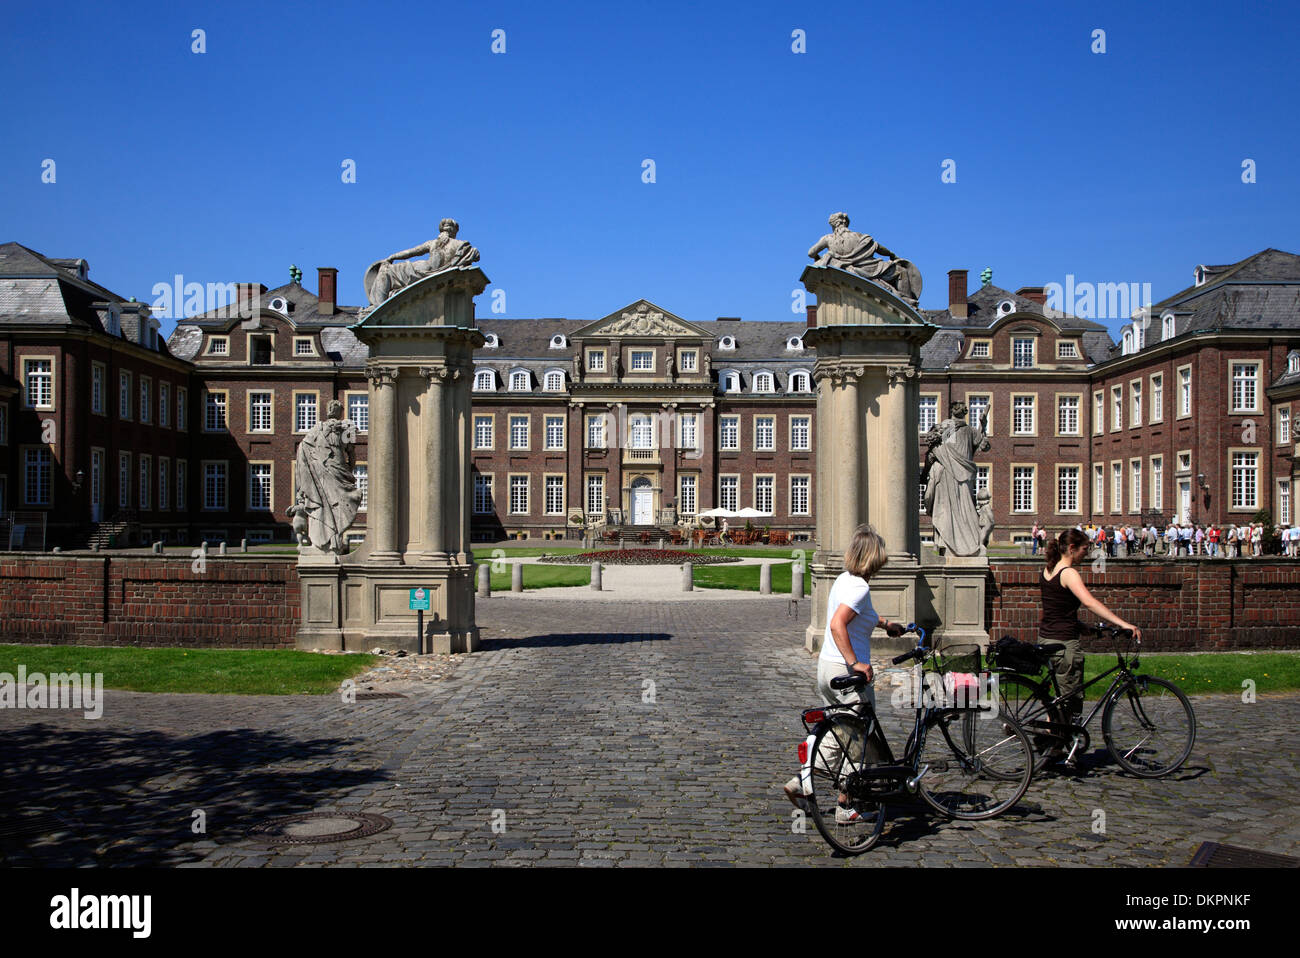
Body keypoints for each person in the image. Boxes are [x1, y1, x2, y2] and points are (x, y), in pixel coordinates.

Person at [784, 524, 904, 817]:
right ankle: (847, 804)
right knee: (860, 737)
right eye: (880, 560)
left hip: (826, 670)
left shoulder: (844, 579)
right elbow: (838, 624)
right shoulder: (860, 587)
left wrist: (887, 625)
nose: (881, 566)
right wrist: (856, 664)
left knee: (839, 732)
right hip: (847, 673)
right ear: (872, 558)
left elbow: (859, 614)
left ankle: (802, 782)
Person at [1039, 528, 1143, 767]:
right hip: (1065, 644)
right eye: (1085, 549)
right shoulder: (1069, 573)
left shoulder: (1048, 570)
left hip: (1047, 639)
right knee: (1070, 698)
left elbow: (1058, 609)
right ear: (1072, 549)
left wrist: (1083, 626)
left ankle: (1059, 747)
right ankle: (1052, 744)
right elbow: (1089, 602)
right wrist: (1122, 623)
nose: (1088, 554)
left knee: (1061, 697)